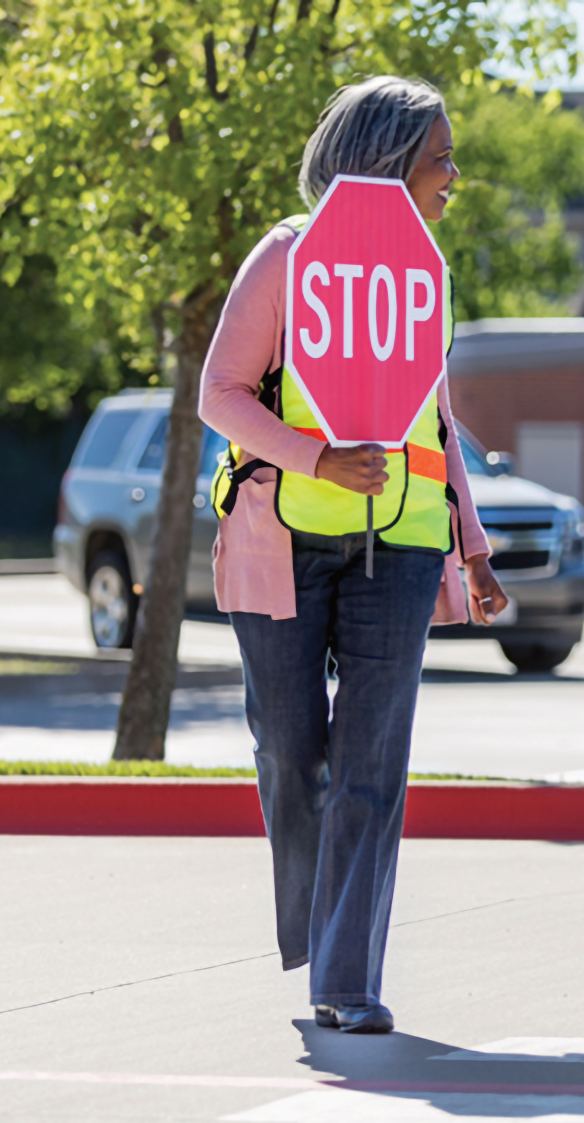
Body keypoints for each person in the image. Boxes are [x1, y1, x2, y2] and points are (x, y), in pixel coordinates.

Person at [198, 76, 510, 1035]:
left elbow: (437, 415)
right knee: (295, 756)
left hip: (405, 543)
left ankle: (345, 977)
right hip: (282, 539)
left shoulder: (424, 268)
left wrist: (473, 542)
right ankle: (320, 933)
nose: (454, 174)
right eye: (439, 156)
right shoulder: (288, 256)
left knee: (373, 762)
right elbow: (221, 393)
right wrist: (317, 454)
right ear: (383, 160)